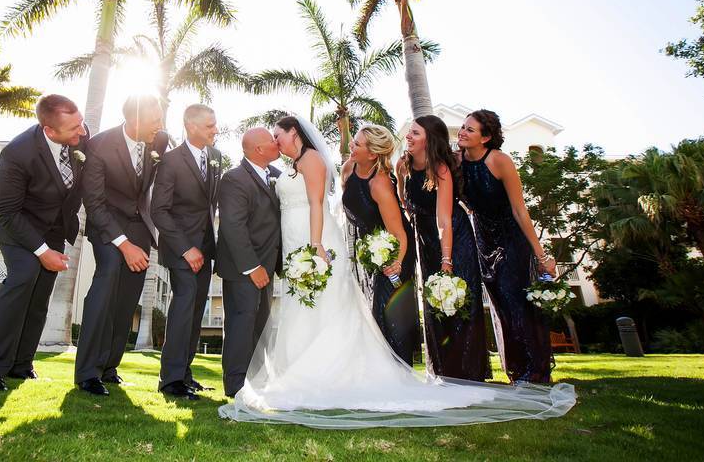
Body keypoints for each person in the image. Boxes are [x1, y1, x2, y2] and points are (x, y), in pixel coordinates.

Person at [218, 115, 575, 429]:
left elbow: (355, 215)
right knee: (323, 309)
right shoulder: (326, 168)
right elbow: (343, 209)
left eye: (357, 143)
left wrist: (318, 247)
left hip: (347, 246)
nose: (351, 147)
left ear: (293, 133)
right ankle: (301, 368)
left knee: (367, 312)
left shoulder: (364, 177)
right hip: (334, 243)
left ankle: (463, 370)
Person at [0, 94, 88, 391]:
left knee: (40, 294)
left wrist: (51, 245)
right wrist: (41, 251)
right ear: (49, 131)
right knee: (23, 278)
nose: (82, 132)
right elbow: (7, 211)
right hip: (16, 225)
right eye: (74, 128)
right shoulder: (18, 153)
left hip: (52, 227)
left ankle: (21, 364)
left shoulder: (78, 140)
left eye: (81, 123)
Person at [74, 95, 168, 396]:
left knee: (128, 299)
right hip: (107, 228)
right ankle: (87, 373)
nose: (160, 127)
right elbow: (95, 203)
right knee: (106, 283)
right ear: (136, 121)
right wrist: (123, 244)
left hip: (139, 228)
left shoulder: (160, 140)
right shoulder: (99, 146)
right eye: (155, 122)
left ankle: (109, 366)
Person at [458, 109, 555, 383]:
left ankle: (534, 370)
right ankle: (515, 369)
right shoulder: (458, 161)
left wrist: (540, 255)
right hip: (482, 238)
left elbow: (519, 210)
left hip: (511, 238)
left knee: (515, 299)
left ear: (486, 137)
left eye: (470, 130)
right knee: (499, 301)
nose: (462, 132)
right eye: (463, 127)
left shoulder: (500, 161)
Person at [397, 115, 490, 381]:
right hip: (425, 239)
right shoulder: (402, 165)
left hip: (453, 237)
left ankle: (468, 371)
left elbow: (444, 219)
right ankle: (441, 370)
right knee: (434, 303)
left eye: (415, 133)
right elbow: (406, 201)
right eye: (410, 132)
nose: (409, 136)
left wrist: (447, 260)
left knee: (459, 300)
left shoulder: (440, 169)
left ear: (429, 139)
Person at [151, 104, 222, 400]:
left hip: (205, 248)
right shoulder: (170, 161)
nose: (215, 130)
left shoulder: (216, 157)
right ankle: (170, 380)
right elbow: (159, 210)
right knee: (183, 307)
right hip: (181, 249)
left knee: (194, 312)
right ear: (191, 127)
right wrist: (185, 248)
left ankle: (185, 373)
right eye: (209, 126)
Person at [341, 125, 419, 366]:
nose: (351, 146)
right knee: (371, 306)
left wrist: (396, 264)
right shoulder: (349, 168)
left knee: (388, 311)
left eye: (357, 144)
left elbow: (399, 234)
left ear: (372, 154)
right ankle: (375, 367)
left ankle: (398, 370)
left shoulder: (380, 184)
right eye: (353, 141)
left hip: (396, 250)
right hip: (371, 248)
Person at [216, 127, 282, 397]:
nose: (277, 143)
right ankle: (235, 385)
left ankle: (256, 382)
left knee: (260, 324)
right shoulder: (234, 179)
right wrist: (251, 267)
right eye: (271, 140)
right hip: (243, 268)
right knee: (240, 324)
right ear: (258, 149)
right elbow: (233, 226)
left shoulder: (277, 176)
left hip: (267, 266)